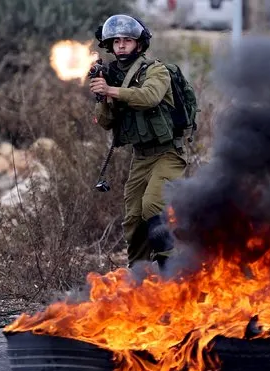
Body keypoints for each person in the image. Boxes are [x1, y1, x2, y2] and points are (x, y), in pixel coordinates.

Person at [89, 14, 187, 269]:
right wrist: (102, 96)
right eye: (116, 41)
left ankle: (170, 272)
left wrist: (111, 90)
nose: (121, 45)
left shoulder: (156, 69)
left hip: (168, 154)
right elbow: (107, 122)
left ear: (139, 44)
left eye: (127, 40)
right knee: (133, 219)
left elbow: (149, 96)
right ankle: (139, 279)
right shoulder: (111, 76)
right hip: (140, 157)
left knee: (153, 205)